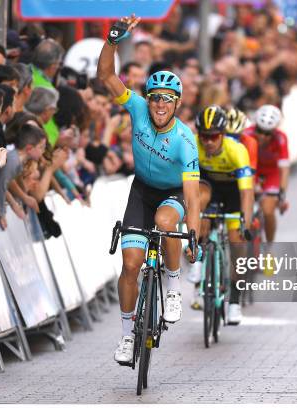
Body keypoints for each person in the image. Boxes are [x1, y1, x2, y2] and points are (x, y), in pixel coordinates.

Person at [97, 14, 200, 365]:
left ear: (177, 104)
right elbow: (107, 77)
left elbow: (192, 193)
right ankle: (127, 337)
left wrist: (195, 232)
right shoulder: (137, 108)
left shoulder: (186, 140)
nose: (159, 105)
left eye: (167, 100)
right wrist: (113, 41)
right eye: (155, 98)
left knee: (167, 221)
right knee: (130, 265)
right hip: (141, 189)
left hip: (173, 193)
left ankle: (173, 288)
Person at [192, 105, 254, 324]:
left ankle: (235, 303)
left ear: (223, 134)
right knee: (200, 208)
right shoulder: (194, 146)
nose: (208, 141)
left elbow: (247, 192)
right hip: (210, 188)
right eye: (204, 136)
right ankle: (198, 261)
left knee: (237, 243)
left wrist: (244, 222)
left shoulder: (236, 150)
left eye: (214, 136)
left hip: (233, 193)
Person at [244, 105, 289, 244]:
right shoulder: (246, 135)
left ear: (274, 131)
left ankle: (269, 248)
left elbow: (284, 168)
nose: (263, 136)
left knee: (268, 210)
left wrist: (281, 193)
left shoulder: (281, 138)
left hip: (271, 174)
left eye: (267, 133)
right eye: (260, 131)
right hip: (252, 172)